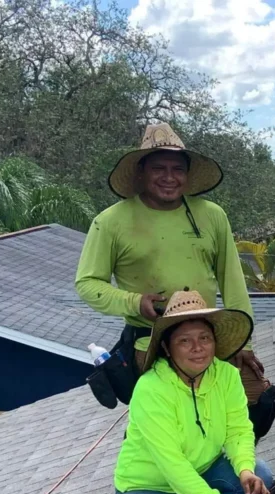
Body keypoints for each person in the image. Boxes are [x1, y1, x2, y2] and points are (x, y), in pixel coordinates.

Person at [75, 122, 262, 377]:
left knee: (230, 409)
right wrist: (134, 302)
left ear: (187, 175)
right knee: (161, 414)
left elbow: (233, 282)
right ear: (141, 172)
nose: (169, 177)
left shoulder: (212, 215)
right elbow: (87, 283)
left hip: (204, 342)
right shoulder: (109, 222)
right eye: (158, 169)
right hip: (148, 344)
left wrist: (243, 342)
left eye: (178, 169)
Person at [113, 290, 273, 494]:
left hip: (202, 472)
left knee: (261, 476)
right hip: (149, 486)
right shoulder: (151, 389)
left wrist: (245, 468)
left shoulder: (226, 375)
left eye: (204, 338)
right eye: (184, 341)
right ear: (166, 348)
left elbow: (238, 429)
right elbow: (171, 463)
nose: (197, 348)